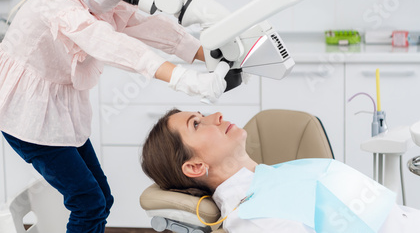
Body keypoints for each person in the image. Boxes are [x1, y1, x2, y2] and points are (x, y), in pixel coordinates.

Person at [0, 0, 227, 233]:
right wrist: (182, 78)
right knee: (88, 203)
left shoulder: (101, 0)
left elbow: (148, 26)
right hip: (28, 117)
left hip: (60, 112)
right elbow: (108, 42)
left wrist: (209, 54)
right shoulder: (57, 4)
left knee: (102, 198)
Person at [141, 109, 420, 233]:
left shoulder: (270, 177)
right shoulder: (255, 218)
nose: (217, 116)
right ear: (195, 166)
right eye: (197, 124)